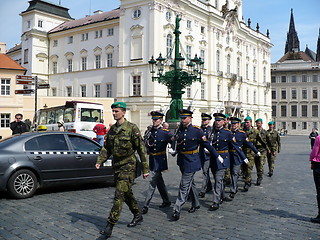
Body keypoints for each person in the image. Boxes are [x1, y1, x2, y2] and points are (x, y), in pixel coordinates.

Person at [95, 102, 149, 239]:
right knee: (126, 193)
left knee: (119, 195)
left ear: (123, 113)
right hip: (117, 166)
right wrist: (100, 161)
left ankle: (109, 226)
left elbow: (141, 149)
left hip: (129, 166)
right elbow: (107, 148)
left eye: (116, 111)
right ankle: (138, 214)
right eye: (112, 111)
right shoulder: (112, 129)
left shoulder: (132, 128)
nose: (114, 113)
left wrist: (145, 169)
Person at [170, 109, 220, 221]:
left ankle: (176, 209)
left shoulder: (197, 131)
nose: (182, 120)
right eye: (181, 118)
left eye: (185, 118)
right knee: (190, 184)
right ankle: (196, 203)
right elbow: (178, 143)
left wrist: (217, 155)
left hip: (191, 161)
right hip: (182, 160)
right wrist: (174, 151)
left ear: (190, 118)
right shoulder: (179, 129)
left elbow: (207, 144)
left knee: (184, 185)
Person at [209, 113, 247, 211]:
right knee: (218, 180)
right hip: (213, 159)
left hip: (223, 159)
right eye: (216, 120)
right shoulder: (212, 132)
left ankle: (215, 201)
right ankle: (221, 195)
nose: (217, 122)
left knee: (218, 180)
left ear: (223, 122)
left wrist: (243, 157)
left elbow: (236, 146)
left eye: (219, 121)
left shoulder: (228, 133)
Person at [141, 111, 173, 214]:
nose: (154, 121)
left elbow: (174, 142)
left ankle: (146, 204)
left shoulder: (165, 132)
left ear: (161, 120)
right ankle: (166, 200)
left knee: (153, 181)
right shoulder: (150, 131)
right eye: (153, 119)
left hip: (160, 159)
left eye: (156, 120)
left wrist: (173, 150)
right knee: (159, 181)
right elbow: (145, 143)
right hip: (152, 159)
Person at [228, 117, 258, 200]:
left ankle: (233, 190)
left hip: (237, 156)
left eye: (235, 124)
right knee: (230, 173)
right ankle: (235, 186)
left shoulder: (242, 134)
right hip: (228, 155)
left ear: (238, 124)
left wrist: (256, 151)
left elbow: (248, 143)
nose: (233, 125)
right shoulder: (228, 133)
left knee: (234, 173)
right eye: (232, 124)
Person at [241, 116, 267, 191]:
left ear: (251, 122)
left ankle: (248, 182)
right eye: (245, 122)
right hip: (243, 152)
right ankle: (247, 179)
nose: (246, 124)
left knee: (250, 168)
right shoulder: (242, 131)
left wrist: (266, 149)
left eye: (248, 122)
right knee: (244, 169)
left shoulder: (255, 131)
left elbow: (261, 140)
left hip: (252, 153)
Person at [198, 113, 213, 198]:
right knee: (205, 171)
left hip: (208, 153)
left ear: (208, 121)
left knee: (205, 171)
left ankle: (203, 190)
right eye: (202, 120)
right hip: (201, 152)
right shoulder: (200, 129)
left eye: (205, 120)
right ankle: (209, 186)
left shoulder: (210, 130)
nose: (203, 121)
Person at [254, 118, 271, 186]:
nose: (258, 124)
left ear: (261, 123)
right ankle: (259, 174)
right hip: (255, 149)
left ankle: (259, 176)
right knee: (257, 164)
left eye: (259, 123)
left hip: (263, 149)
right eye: (257, 123)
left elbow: (268, 142)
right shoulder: (254, 132)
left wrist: (270, 149)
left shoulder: (265, 132)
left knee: (261, 163)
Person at [310, 135, 320, 224]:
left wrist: (311, 159)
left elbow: (315, 151)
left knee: (319, 191)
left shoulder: (319, 138)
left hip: (319, 165)